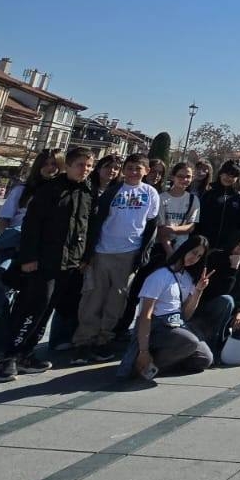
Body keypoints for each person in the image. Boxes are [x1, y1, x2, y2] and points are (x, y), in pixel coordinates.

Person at [0, 147, 97, 381]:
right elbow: (31, 226)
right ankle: (9, 357)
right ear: (68, 166)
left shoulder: (87, 192)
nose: (86, 170)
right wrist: (28, 258)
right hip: (43, 262)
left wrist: (84, 257)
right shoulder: (50, 190)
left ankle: (27, 354)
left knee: (46, 310)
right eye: (81, 165)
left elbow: (88, 227)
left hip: (69, 263)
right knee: (30, 309)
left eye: (89, 166)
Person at [72, 154, 161, 362]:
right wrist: (89, 252)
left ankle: (104, 339)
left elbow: (151, 225)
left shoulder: (150, 193)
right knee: (93, 297)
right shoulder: (113, 191)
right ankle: (84, 341)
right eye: (129, 168)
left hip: (129, 253)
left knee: (116, 300)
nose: (133, 172)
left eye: (138, 168)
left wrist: (143, 253)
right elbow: (97, 220)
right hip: (103, 251)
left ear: (146, 171)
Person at [124, 241, 214, 380]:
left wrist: (198, 291)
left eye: (199, 256)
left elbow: (186, 315)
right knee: (190, 342)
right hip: (156, 327)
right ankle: (141, 364)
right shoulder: (160, 275)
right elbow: (145, 315)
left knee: (205, 358)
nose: (194, 258)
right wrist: (143, 350)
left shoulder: (188, 278)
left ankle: (158, 365)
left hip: (176, 325)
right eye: (193, 252)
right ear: (184, 250)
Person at [197, 161, 240, 251]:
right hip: (205, 245)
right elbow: (199, 218)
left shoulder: (238, 197)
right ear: (221, 174)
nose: (229, 178)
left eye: (233, 176)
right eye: (227, 174)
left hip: (227, 247)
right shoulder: (209, 193)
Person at [158, 162, 200, 256]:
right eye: (180, 176)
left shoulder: (193, 199)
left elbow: (190, 227)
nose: (184, 179)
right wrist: (170, 252)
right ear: (173, 177)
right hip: (162, 248)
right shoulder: (161, 198)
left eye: (188, 176)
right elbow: (161, 230)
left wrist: (172, 228)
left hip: (182, 249)